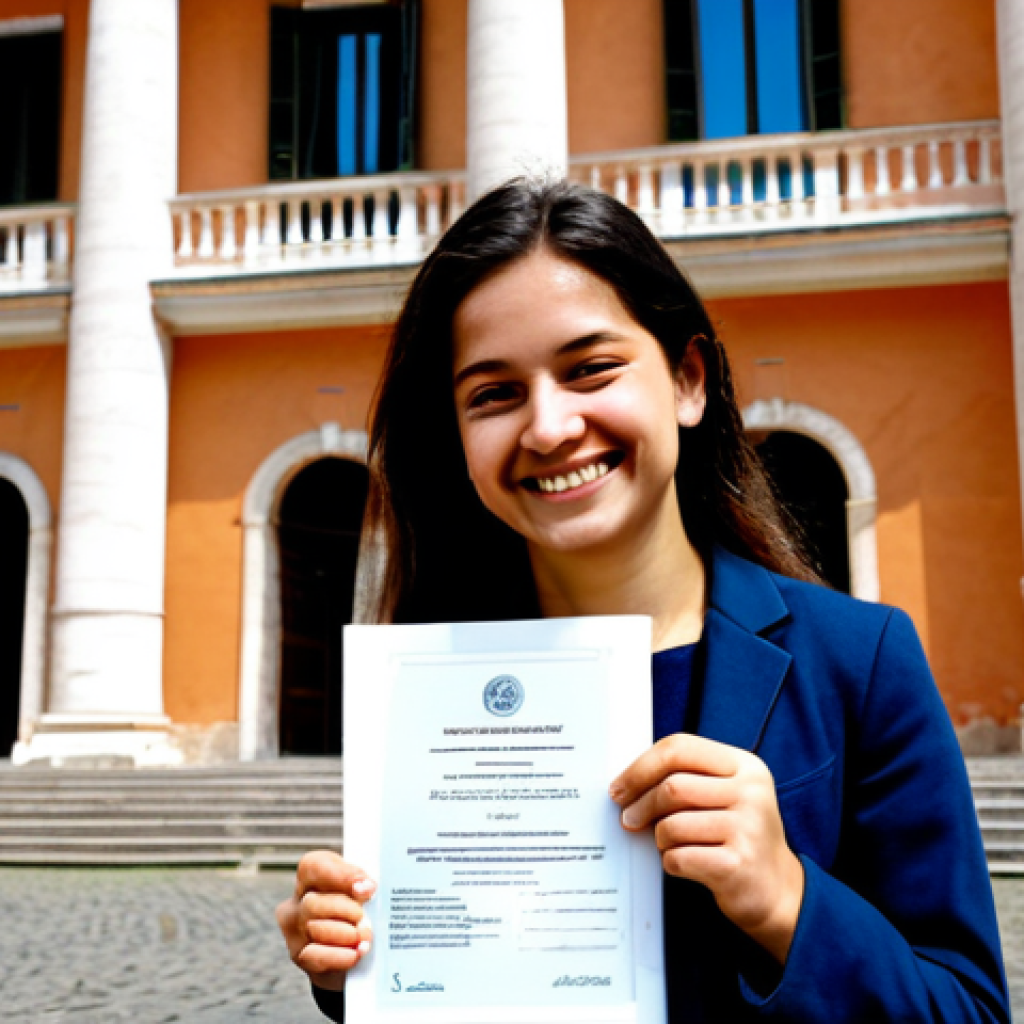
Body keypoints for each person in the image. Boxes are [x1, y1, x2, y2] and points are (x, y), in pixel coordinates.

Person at [276, 179, 1010, 1022]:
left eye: (590, 369)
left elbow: (969, 1009)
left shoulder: (861, 661)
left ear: (688, 380)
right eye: (493, 393)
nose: (548, 428)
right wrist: (357, 967)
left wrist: (788, 902)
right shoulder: (429, 691)